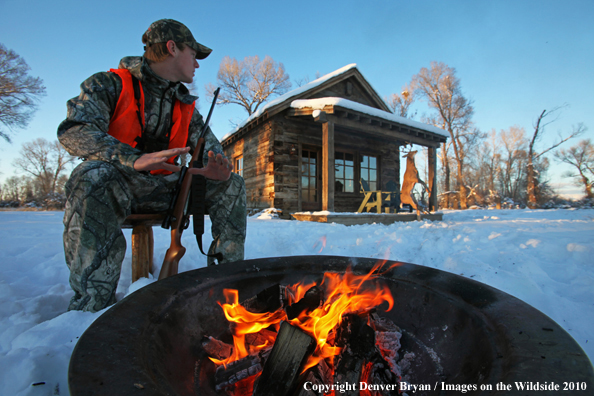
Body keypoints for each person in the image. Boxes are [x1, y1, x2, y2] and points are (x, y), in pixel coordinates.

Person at [57, 19, 246, 312]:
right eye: (194, 54)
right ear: (172, 48)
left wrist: (216, 169)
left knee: (233, 184)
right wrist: (132, 159)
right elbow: (74, 130)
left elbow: (212, 152)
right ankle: (92, 308)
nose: (197, 64)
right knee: (90, 175)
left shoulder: (187, 106)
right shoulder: (107, 84)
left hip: (169, 191)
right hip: (119, 186)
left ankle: (228, 292)